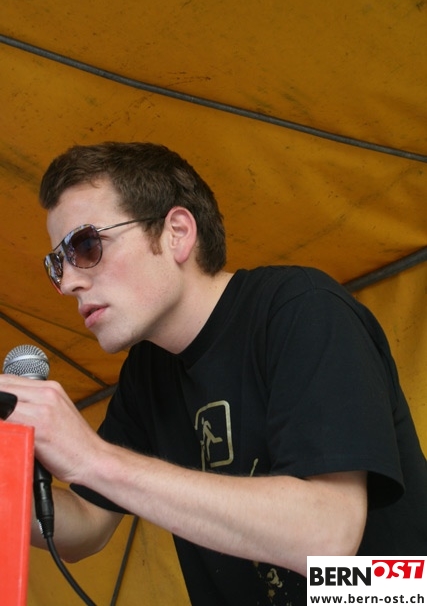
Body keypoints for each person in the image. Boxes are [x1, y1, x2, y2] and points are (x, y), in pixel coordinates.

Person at [2, 141, 427, 605]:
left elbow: (326, 534)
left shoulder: (301, 308)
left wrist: (92, 458)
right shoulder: (146, 372)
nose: (68, 282)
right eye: (57, 264)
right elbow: (86, 524)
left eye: (85, 246)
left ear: (177, 233)